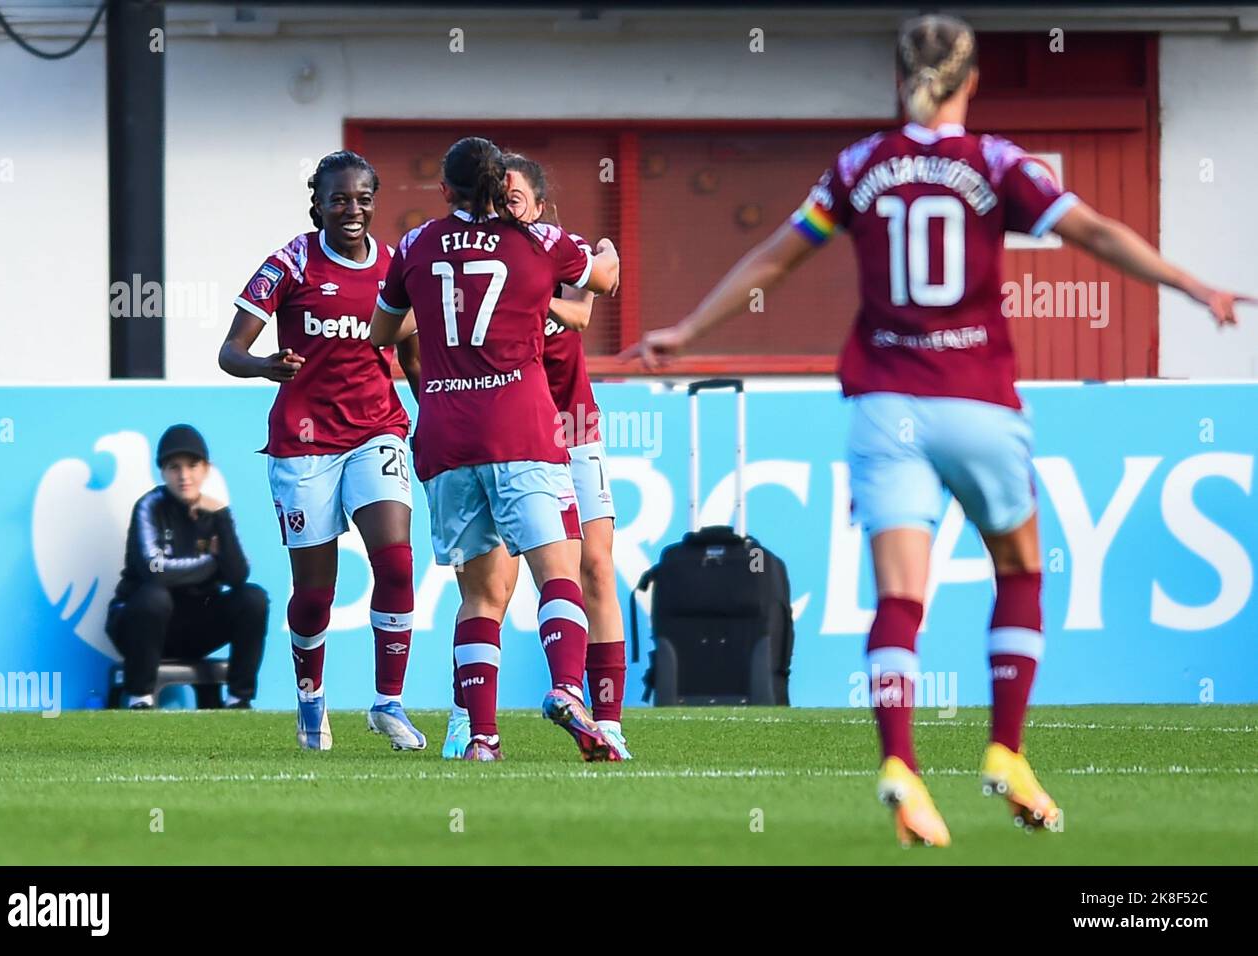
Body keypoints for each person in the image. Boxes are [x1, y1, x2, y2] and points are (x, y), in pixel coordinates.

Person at [625, 14, 1249, 846]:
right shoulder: (997, 164)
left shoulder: (859, 167)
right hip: (979, 401)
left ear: (896, 79)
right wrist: (1190, 285)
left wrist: (688, 331)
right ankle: (1007, 751)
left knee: (899, 597)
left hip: (886, 405)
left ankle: (900, 764)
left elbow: (776, 255)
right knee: (1020, 566)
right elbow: (1093, 232)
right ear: (973, 80)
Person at [370, 136, 620, 761]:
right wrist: (606, 250)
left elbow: (379, 332)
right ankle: (567, 688)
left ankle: (481, 736)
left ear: (446, 190)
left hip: (448, 437)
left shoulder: (415, 246)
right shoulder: (538, 242)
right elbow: (605, 282)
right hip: (524, 431)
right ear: (499, 191)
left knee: (479, 595)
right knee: (559, 575)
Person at [219, 150, 425, 752]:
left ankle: (388, 702)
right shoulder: (290, 262)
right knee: (315, 593)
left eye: (362, 198)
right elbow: (230, 352)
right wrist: (264, 366)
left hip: (376, 431)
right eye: (339, 199)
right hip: (304, 441)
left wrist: (433, 409)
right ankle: (311, 698)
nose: (352, 209)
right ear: (318, 204)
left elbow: (409, 356)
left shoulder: (394, 266)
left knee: (396, 562)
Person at [439, 153, 631, 760]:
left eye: (516, 197)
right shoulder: (478, 258)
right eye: (498, 194)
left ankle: (607, 719)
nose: (504, 203)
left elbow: (586, 303)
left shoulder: (549, 248)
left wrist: (539, 285)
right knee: (492, 580)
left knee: (595, 566)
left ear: (539, 205)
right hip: (503, 431)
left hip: (569, 425)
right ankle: (470, 720)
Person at [106, 424, 267, 709]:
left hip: (193, 629)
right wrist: (211, 563)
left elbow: (239, 575)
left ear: (207, 468)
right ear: (162, 471)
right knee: (155, 596)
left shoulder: (216, 512)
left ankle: (239, 699)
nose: (184, 476)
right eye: (174, 467)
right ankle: (140, 697)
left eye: (192, 465)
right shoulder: (149, 506)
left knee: (253, 598)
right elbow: (154, 571)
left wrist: (221, 517)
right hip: (139, 626)